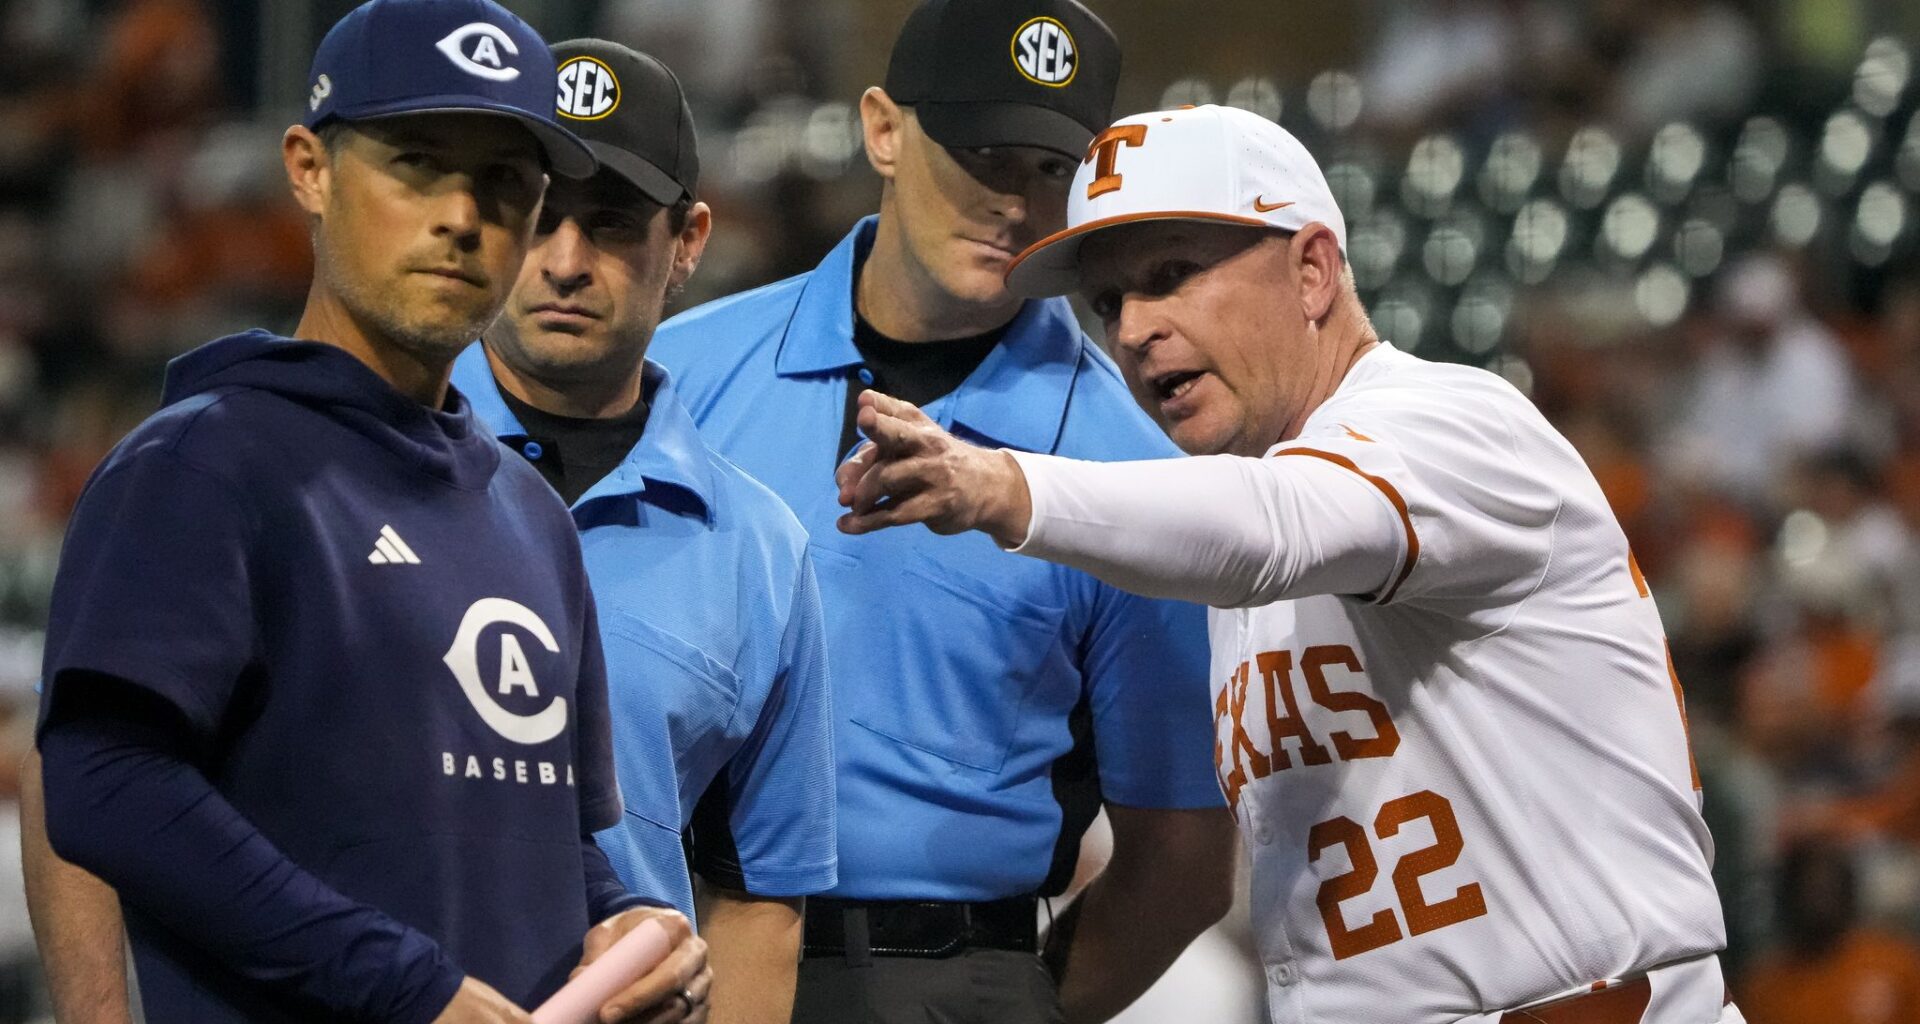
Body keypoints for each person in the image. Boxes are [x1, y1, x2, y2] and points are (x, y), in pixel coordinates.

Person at [834, 103, 1738, 1024]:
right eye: (1109, 302)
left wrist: (1001, 488)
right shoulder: (1240, 522)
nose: (1134, 328)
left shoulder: (1453, 424)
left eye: (1173, 274)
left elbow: (1276, 529)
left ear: (1312, 272)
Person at [22, 2, 710, 1021]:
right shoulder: (204, 459)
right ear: (309, 167)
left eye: (504, 183)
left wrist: (620, 920)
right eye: (420, 164)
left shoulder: (529, 512)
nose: (463, 216)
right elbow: (102, 780)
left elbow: (538, 837)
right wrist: (409, 988)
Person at [646, 1, 1237, 1021]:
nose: (1014, 199)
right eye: (981, 153)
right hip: (680, 950)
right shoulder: (681, 378)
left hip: (947, 964)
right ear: (884, 130)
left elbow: (1182, 857)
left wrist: (1009, 1001)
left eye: (1050, 168)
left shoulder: (1134, 474)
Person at [453, 39, 836, 1024]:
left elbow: (758, 902)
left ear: (690, 238)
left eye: (613, 223)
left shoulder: (756, 545)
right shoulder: (351, 453)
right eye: (535, 212)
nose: (566, 262)